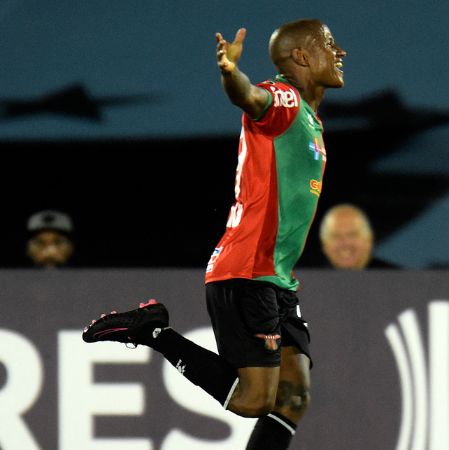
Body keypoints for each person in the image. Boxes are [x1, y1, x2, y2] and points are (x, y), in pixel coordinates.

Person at [82, 19, 346, 450]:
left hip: (276, 278)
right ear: (300, 56)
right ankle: (152, 332)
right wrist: (230, 74)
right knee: (254, 400)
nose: (340, 53)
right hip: (246, 270)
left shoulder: (311, 120)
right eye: (329, 44)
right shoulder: (286, 100)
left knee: (294, 396)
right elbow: (252, 97)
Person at [319, 203, 398, 269]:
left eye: (352, 235)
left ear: (369, 241)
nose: (345, 243)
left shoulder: (398, 279)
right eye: (336, 236)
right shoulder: (309, 283)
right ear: (325, 246)